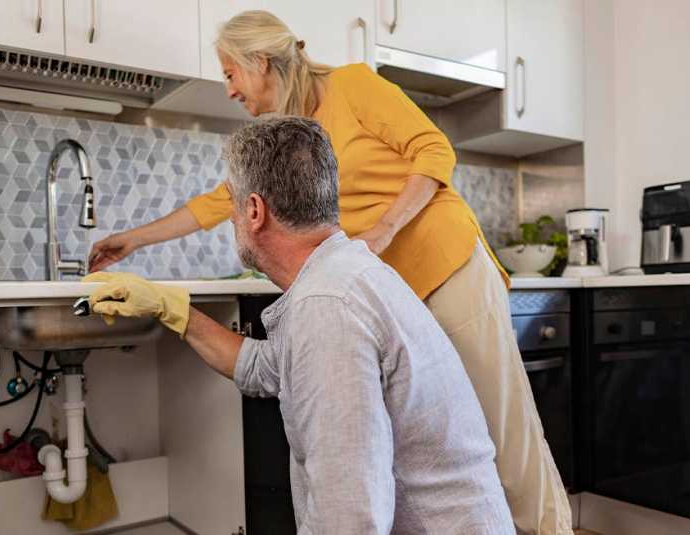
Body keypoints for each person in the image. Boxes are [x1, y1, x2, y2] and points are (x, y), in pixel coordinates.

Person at [88, 11, 571, 534]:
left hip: (443, 262)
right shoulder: (287, 136)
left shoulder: (353, 85)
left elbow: (434, 150)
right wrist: (131, 240)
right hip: (386, 282)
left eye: (230, 73)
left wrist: (384, 231)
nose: (228, 90)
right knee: (422, 440)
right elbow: (218, 202)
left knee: (502, 427)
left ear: (260, 62)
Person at [85, 117, 514, 534]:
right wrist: (171, 308)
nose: (232, 219)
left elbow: (349, 517)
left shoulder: (328, 305)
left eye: (234, 204)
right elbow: (264, 368)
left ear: (254, 210)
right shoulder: (345, 273)